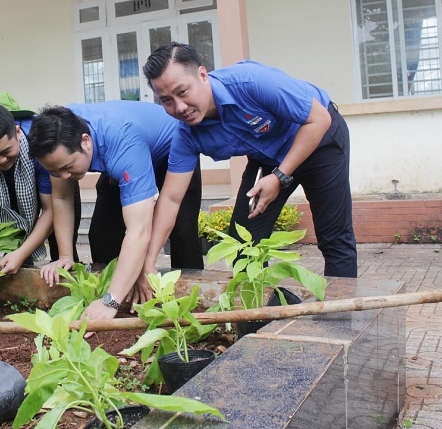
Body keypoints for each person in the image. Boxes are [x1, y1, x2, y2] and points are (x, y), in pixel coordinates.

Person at [141, 42, 357, 301]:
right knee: (244, 245)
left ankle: (342, 319)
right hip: (268, 157)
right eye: (167, 101)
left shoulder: (252, 83)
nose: (180, 108)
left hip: (319, 138)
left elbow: (319, 119)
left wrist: (280, 176)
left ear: (202, 75)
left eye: (182, 92)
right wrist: (149, 262)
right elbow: (171, 198)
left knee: (334, 239)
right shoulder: (186, 135)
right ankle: (269, 313)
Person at [27, 101, 203, 321]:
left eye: (68, 167)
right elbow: (62, 196)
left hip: (170, 155)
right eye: (54, 170)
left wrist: (142, 267)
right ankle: (119, 293)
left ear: (86, 141)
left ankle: (190, 307)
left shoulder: (123, 146)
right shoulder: (56, 135)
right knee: (102, 236)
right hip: (121, 161)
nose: (63, 176)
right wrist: (65, 255)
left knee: (183, 236)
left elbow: (139, 231)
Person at [0, 92, 81, 273]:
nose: (0, 160)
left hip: (56, 192)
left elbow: (51, 209)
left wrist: (22, 253)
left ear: (17, 132)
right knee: (15, 251)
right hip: (3, 195)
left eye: (6, 151)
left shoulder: (39, 144)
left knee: (62, 251)